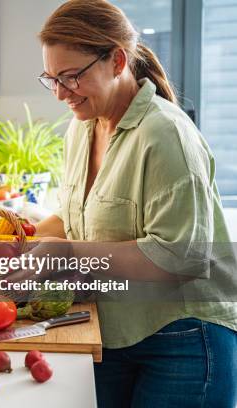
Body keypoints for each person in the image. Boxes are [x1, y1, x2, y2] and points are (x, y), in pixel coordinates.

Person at [31, 1, 237, 406]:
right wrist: (4, 244)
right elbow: (78, 220)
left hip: (185, 336)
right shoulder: (81, 128)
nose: (59, 94)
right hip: (115, 329)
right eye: (51, 79)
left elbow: (182, 256)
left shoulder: (165, 134)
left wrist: (71, 255)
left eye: (71, 77)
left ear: (117, 60)